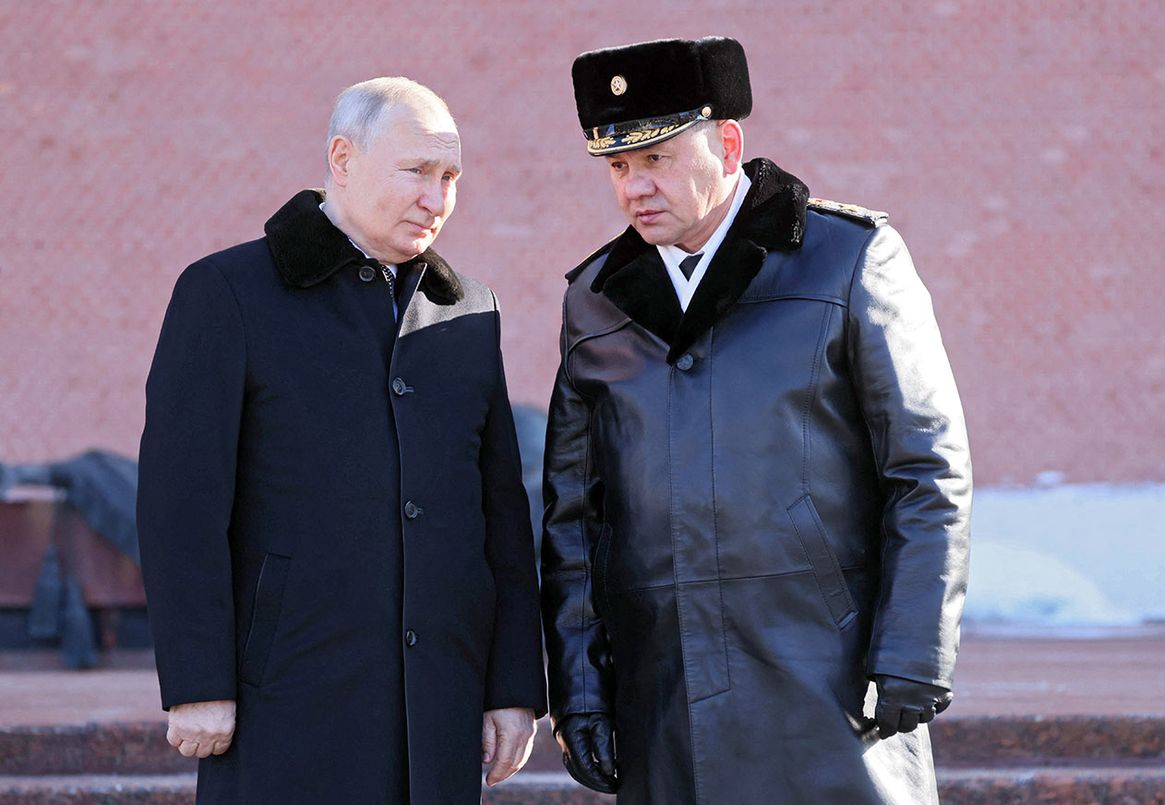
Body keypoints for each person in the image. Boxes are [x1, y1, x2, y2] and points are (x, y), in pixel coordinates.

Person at [540, 37, 971, 803]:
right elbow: (576, 519)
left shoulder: (847, 260)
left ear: (728, 143)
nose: (635, 187)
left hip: (831, 690)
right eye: (617, 167)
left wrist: (913, 649)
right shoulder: (595, 302)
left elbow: (925, 468)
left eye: (658, 159)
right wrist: (580, 690)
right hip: (664, 704)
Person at [138, 76, 546, 804]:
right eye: (417, 171)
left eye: (450, 177)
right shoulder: (228, 293)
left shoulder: (468, 312)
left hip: (438, 710)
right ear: (343, 158)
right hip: (286, 701)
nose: (438, 197)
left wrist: (513, 685)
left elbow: (500, 516)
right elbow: (181, 501)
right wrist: (198, 679)